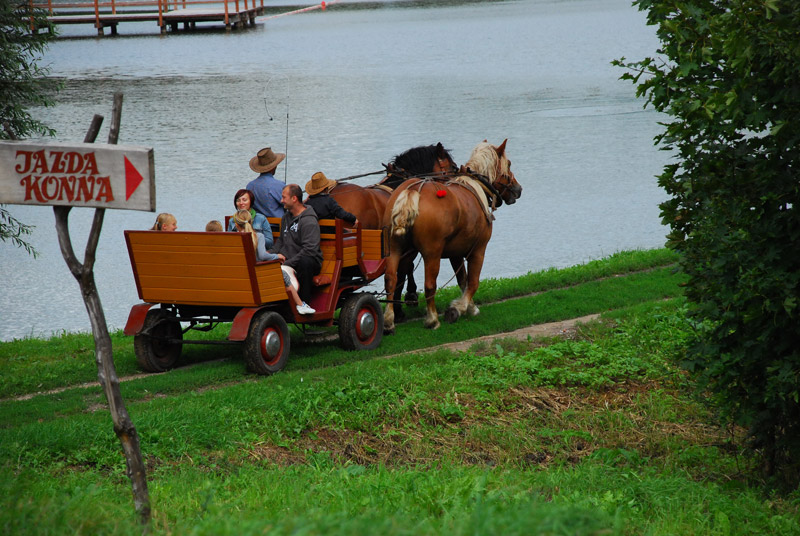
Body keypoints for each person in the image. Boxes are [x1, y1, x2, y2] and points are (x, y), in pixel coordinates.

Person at [270, 183, 323, 311]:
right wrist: (270, 255)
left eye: (284, 197)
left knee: (305, 262)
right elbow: (281, 241)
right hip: (288, 260)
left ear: (294, 199)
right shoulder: (286, 217)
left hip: (307, 262)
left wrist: (288, 263)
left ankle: (303, 303)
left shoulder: (309, 221)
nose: (281, 200)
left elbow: (309, 250)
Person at [246, 147, 286, 220]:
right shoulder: (279, 185)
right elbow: (289, 204)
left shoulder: (250, 186)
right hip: (277, 224)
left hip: (257, 223)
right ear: (274, 167)